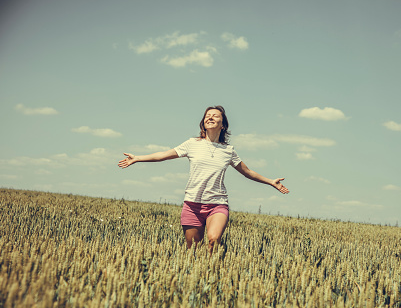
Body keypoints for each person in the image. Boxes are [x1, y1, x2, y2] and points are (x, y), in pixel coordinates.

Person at [118, 106, 289, 251]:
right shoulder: (192, 144)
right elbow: (164, 154)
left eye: (215, 116)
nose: (210, 117)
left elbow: (247, 171)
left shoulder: (228, 151)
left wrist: (270, 181)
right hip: (192, 204)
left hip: (217, 204)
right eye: (207, 116)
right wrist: (138, 158)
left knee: (214, 240)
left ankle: (213, 275)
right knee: (193, 249)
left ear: (223, 125)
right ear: (203, 124)